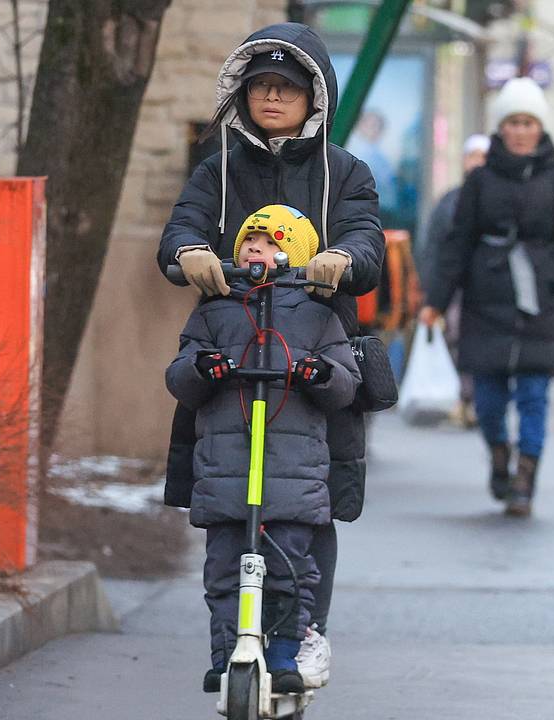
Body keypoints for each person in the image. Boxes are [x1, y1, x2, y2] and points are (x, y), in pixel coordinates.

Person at [156, 22, 384, 691]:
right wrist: (188, 254)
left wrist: (343, 259)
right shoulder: (218, 166)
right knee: (227, 500)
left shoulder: (345, 171)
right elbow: (182, 228)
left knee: (311, 504)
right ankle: (230, 637)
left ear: (314, 95)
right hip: (231, 350)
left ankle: (305, 629)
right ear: (244, 94)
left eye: (287, 87)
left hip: (313, 354)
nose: (273, 98)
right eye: (261, 87)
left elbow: (366, 237)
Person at [166, 205, 361, 696]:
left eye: (273, 243)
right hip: (227, 465)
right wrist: (203, 368)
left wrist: (321, 374)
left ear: (294, 256)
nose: (257, 249)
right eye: (251, 240)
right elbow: (181, 374)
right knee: (225, 568)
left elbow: (345, 385)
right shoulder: (215, 310)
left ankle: (282, 652)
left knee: (291, 566)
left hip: (292, 471)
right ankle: (224, 652)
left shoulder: (317, 317)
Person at [418, 77, 554, 516]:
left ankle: (525, 479)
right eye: (512, 122)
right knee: (489, 400)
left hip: (540, 305)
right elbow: (457, 244)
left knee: (534, 397)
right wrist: (436, 301)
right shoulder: (479, 182)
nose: (520, 131)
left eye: (528, 122)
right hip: (486, 301)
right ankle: (498, 452)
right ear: (501, 127)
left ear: (540, 127)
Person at [419, 133, 491, 428]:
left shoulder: (496, 200)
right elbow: (433, 246)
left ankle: (475, 401)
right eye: (472, 155)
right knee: (453, 340)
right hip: (452, 287)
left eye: (482, 156)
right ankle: (461, 398)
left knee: (478, 343)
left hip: (484, 287)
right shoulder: (449, 201)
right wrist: (430, 288)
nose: (476, 162)